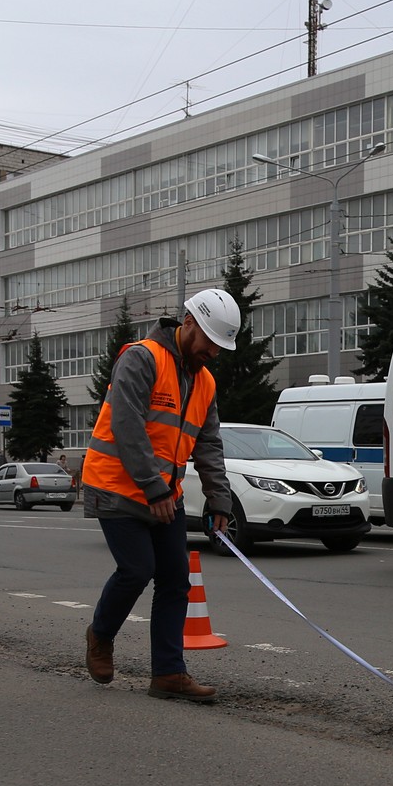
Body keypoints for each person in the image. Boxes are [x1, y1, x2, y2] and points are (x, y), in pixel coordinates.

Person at [81, 289, 238, 702]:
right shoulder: (142, 357)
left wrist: (219, 500)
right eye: (210, 343)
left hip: (163, 493)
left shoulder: (204, 381)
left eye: (221, 348)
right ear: (188, 324)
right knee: (137, 569)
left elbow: (208, 445)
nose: (213, 353)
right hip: (115, 484)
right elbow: (127, 425)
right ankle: (100, 636)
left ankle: (168, 673)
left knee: (175, 579)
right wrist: (153, 487)